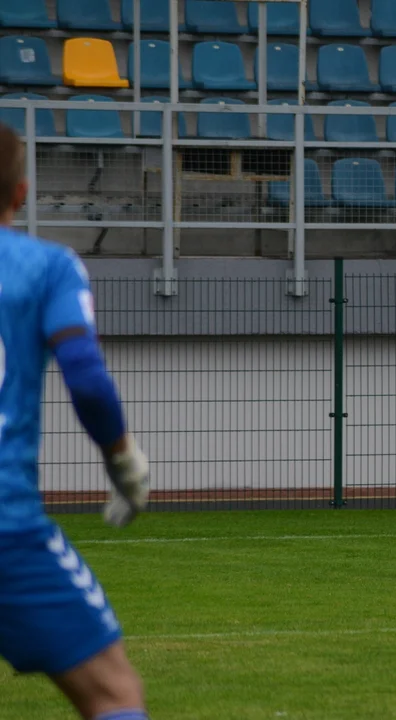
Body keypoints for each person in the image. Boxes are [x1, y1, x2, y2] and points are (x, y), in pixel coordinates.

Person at [0, 122, 152, 719]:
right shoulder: (47, 267)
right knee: (114, 694)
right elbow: (85, 376)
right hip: (6, 533)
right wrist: (124, 462)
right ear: (20, 193)